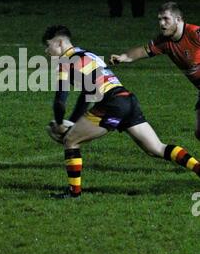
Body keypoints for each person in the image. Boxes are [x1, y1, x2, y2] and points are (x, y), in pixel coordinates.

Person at [43, 25, 200, 198]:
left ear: (59, 42)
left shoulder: (65, 63)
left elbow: (60, 100)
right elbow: (87, 95)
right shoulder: (88, 54)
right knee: (156, 148)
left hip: (111, 104)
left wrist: (59, 123)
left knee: (70, 141)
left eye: (48, 45)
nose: (46, 50)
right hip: (127, 99)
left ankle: (74, 193)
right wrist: (73, 122)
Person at [110, 1, 200, 140]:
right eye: (159, 19)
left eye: (166, 19)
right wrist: (124, 57)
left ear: (178, 19)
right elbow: (143, 50)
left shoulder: (194, 33)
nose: (162, 23)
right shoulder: (164, 41)